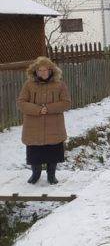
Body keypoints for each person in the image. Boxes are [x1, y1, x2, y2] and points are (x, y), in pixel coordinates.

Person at [17, 56, 72, 185]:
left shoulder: (60, 85)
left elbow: (66, 103)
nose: (43, 73)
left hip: (54, 126)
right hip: (33, 126)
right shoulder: (28, 85)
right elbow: (21, 102)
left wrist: (49, 108)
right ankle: (35, 174)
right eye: (40, 70)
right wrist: (37, 109)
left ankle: (51, 175)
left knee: (53, 152)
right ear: (35, 71)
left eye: (45, 70)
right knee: (35, 153)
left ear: (51, 70)